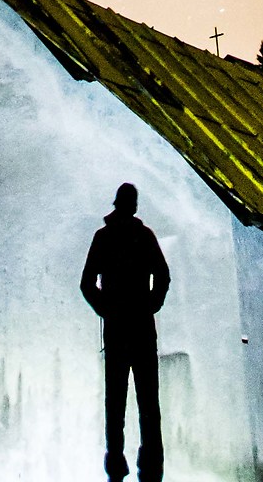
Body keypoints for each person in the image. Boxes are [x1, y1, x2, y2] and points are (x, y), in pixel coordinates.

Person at [79, 183, 171, 482]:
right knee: (149, 401)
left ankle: (116, 464)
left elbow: (87, 284)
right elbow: (163, 275)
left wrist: (106, 309)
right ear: (133, 205)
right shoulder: (144, 236)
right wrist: (151, 304)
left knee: (115, 401)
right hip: (142, 328)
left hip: (117, 329)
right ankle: (151, 465)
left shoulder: (103, 237)